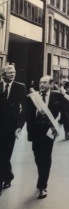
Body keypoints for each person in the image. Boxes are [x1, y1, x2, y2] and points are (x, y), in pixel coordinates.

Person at [26, 75, 69, 199]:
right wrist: (25, 130)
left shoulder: (57, 96)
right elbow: (28, 115)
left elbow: (65, 114)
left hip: (49, 132)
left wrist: (60, 126)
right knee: (37, 157)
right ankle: (42, 177)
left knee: (45, 157)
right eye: (40, 82)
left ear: (51, 84)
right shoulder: (33, 97)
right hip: (35, 131)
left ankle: (42, 186)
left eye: (45, 83)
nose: (42, 85)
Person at [0, 65, 26, 196]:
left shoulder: (20, 87)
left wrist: (19, 127)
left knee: (6, 154)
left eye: (14, 72)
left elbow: (25, 110)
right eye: (9, 72)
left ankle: (6, 178)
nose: (12, 74)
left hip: (11, 127)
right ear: (3, 74)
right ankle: (7, 176)